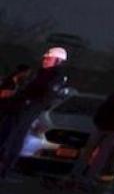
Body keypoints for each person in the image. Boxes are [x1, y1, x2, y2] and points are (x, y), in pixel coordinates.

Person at [0, 47, 69, 178]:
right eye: (45, 58)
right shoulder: (43, 73)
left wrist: (23, 97)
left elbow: (42, 94)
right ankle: (5, 165)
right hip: (20, 108)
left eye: (49, 58)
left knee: (13, 137)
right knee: (9, 134)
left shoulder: (55, 76)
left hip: (27, 109)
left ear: (58, 60)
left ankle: (5, 166)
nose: (45, 60)